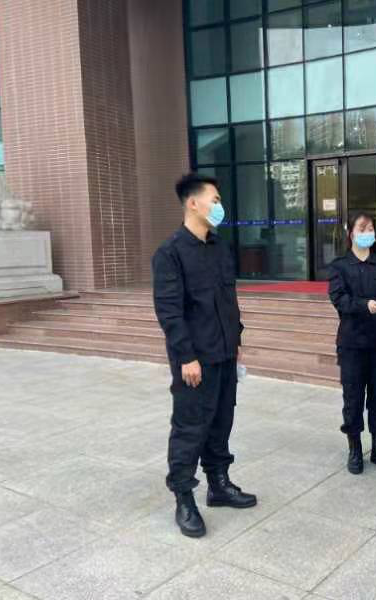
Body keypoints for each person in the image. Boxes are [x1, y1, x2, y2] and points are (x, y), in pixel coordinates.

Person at [152, 173, 256, 538]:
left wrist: (236, 341)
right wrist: (186, 357)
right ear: (193, 203)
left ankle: (219, 484)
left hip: (225, 354)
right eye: (215, 199)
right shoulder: (170, 253)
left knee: (221, 422)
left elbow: (229, 300)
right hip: (195, 360)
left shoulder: (219, 247)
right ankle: (184, 498)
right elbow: (170, 312)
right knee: (190, 428)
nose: (219, 205)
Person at [328, 212, 376, 475]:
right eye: (362, 228)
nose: (367, 233)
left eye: (371, 228)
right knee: (352, 399)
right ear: (351, 233)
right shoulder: (339, 267)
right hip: (352, 344)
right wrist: (364, 305)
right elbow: (339, 299)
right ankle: (354, 448)